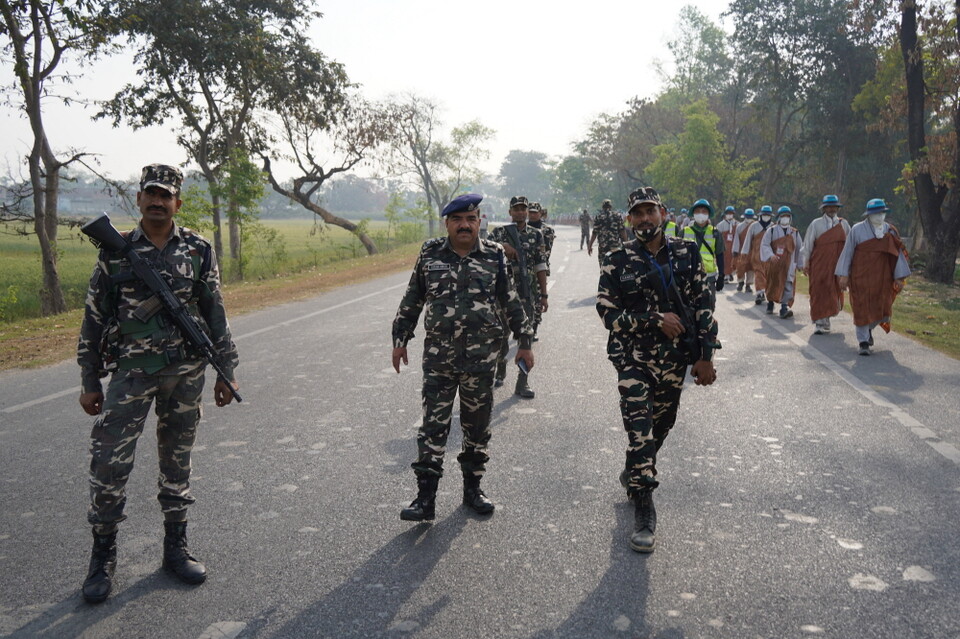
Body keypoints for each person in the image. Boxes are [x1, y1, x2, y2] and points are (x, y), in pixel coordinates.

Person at [76, 164, 240, 604]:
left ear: (177, 203)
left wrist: (226, 369)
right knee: (109, 462)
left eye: (165, 195)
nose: (157, 201)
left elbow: (214, 311)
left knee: (176, 460)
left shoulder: (198, 249)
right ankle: (103, 556)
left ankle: (175, 548)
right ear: (139, 199)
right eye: (150, 193)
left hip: (185, 373)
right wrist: (90, 377)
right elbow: (94, 317)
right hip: (130, 373)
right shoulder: (116, 250)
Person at [392, 194, 534, 521]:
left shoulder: (494, 255)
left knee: (477, 427)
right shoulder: (430, 253)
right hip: (439, 360)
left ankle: (473, 490)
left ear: (479, 220)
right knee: (432, 427)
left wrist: (525, 341)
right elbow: (413, 297)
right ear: (448, 224)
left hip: (481, 361)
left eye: (470, 219)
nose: (465, 225)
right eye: (457, 220)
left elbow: (511, 301)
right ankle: (425, 499)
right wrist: (400, 338)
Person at [597, 187, 720, 553]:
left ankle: (636, 465)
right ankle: (644, 511)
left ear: (663, 214)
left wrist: (706, 355)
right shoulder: (616, 258)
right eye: (638, 213)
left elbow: (703, 303)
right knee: (641, 431)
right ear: (629, 219)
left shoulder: (686, 252)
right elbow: (607, 312)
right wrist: (653, 320)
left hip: (675, 360)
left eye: (650, 211)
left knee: (661, 427)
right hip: (632, 360)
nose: (645, 218)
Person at [489, 196, 548, 396]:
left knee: (526, 338)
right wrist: (502, 247)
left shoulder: (537, 234)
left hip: (527, 292)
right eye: (517, 209)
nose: (521, 212)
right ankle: (500, 367)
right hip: (503, 294)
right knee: (501, 335)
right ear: (510, 212)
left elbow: (541, 265)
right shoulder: (499, 233)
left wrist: (543, 294)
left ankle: (522, 382)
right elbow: (485, 257)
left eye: (523, 209)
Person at [835, 198, 911, 355]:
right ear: (868, 215)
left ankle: (869, 328)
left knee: (882, 306)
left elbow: (896, 256)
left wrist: (899, 277)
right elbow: (848, 252)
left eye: (881, 213)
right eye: (875, 213)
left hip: (882, 278)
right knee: (861, 307)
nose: (879, 216)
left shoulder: (890, 231)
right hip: (860, 276)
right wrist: (844, 274)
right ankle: (863, 342)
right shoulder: (857, 230)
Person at [802, 195, 850, 334]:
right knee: (818, 290)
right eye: (829, 207)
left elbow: (849, 245)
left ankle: (827, 317)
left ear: (837, 208)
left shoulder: (844, 224)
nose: (831, 209)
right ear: (824, 208)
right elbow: (808, 244)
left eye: (834, 206)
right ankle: (819, 321)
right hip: (819, 263)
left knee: (833, 290)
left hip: (837, 264)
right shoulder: (816, 224)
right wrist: (806, 263)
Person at [760, 206, 805, 318]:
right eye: (783, 216)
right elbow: (765, 244)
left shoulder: (794, 232)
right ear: (779, 218)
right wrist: (771, 255)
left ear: (790, 218)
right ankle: (770, 303)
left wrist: (800, 264)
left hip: (789, 265)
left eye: (787, 216)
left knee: (788, 284)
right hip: (775, 264)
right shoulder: (772, 230)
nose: (785, 218)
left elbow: (800, 248)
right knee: (772, 283)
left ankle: (784, 308)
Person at [681, 199, 725, 307]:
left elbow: (720, 255)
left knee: (709, 307)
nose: (701, 214)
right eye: (698, 211)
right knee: (688, 308)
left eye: (704, 211)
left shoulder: (715, 233)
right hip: (688, 278)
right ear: (693, 214)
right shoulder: (684, 232)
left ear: (709, 214)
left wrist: (721, 276)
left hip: (709, 278)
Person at [741, 205, 775, 304]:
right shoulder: (754, 226)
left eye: (768, 215)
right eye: (764, 214)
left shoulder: (773, 226)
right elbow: (748, 240)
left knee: (768, 275)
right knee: (758, 273)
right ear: (761, 215)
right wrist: (744, 252)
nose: (766, 216)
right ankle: (760, 293)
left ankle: (767, 292)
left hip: (769, 256)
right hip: (757, 255)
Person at [587, 198, 627, 265]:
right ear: (611, 207)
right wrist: (626, 244)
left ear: (602, 207)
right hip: (616, 247)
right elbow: (622, 231)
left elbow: (594, 233)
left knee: (604, 269)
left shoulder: (599, 217)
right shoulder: (617, 216)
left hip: (603, 248)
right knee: (617, 268)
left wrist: (590, 245)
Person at [733, 208, 756, 292]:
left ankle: (748, 285)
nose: (749, 218)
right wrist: (735, 250)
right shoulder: (740, 226)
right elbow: (736, 239)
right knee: (740, 267)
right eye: (747, 216)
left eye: (750, 217)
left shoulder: (755, 226)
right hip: (741, 251)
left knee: (751, 268)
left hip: (752, 251)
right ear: (744, 217)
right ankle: (740, 282)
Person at [716, 206, 738, 283]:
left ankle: (730, 274)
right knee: (724, 261)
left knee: (733, 261)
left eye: (731, 213)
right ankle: (725, 276)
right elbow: (717, 236)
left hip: (733, 246)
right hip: (724, 246)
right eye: (728, 213)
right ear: (725, 214)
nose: (729, 215)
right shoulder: (720, 225)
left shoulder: (737, 224)